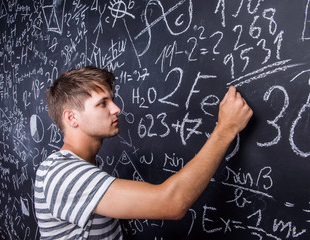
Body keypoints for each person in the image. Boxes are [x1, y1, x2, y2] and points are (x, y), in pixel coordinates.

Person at [34, 66, 253, 239]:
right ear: (72, 118)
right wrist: (226, 129)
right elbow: (171, 203)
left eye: (112, 99)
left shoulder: (81, 168)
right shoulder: (64, 173)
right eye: (103, 103)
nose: (116, 108)